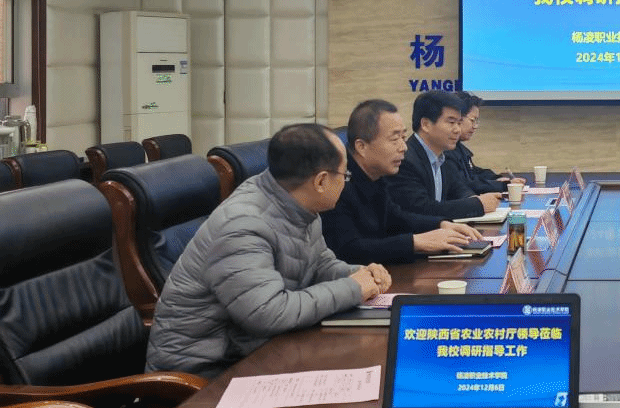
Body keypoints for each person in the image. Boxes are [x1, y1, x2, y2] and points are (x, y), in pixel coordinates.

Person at [146, 123, 390, 378]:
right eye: (344, 175)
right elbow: (267, 313)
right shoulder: (242, 225)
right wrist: (353, 288)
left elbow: (319, 263)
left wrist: (360, 274)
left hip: (255, 351)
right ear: (320, 181)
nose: (345, 183)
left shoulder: (300, 204)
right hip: (204, 373)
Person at [322, 99, 482, 264]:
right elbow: (348, 250)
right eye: (394, 139)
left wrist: (441, 224)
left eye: (403, 137)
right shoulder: (337, 183)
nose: (404, 147)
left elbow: (395, 218)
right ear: (361, 146)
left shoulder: (376, 176)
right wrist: (416, 243)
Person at [388, 89, 502, 219]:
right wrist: (477, 204)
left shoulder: (441, 157)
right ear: (426, 124)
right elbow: (421, 209)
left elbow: (459, 189)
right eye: (451, 122)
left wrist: (475, 199)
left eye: (459, 123)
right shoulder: (405, 160)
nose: (457, 130)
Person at [446, 91, 524, 194]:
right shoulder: (446, 151)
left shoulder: (458, 147)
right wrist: (503, 185)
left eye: (476, 121)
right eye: (472, 120)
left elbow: (473, 172)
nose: (475, 126)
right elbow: (466, 185)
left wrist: (496, 179)